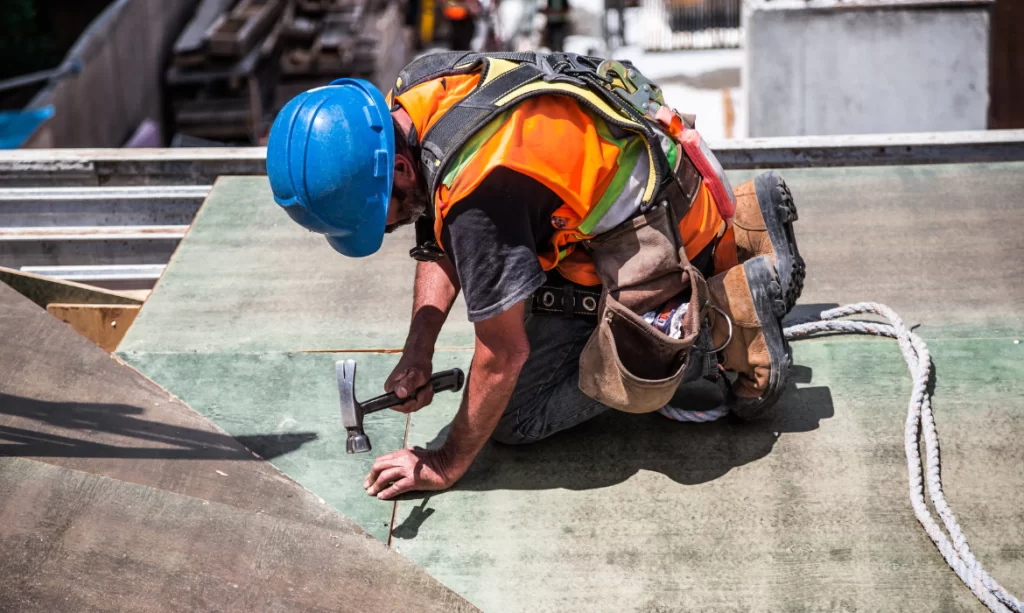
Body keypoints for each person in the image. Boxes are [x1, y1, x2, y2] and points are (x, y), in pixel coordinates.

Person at [266, 51, 805, 500]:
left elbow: (503, 355)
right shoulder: (419, 92)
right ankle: (747, 226)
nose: (382, 232)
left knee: (517, 416)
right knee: (513, 295)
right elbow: (438, 230)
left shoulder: (481, 196)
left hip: (661, 241)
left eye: (374, 218)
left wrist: (446, 461)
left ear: (400, 169)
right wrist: (418, 350)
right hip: (670, 186)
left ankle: (724, 322)